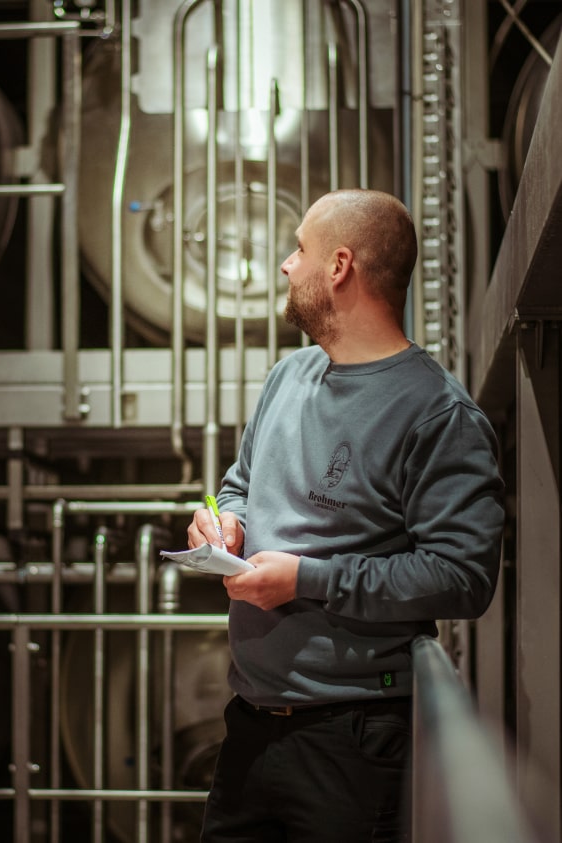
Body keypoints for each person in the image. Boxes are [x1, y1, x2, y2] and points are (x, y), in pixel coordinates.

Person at [187, 188, 505, 842]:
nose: (285, 264)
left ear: (338, 267)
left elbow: (461, 576)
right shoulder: (288, 376)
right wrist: (223, 521)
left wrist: (307, 577)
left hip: (354, 737)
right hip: (248, 721)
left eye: (298, 249)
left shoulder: (437, 414)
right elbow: (238, 482)